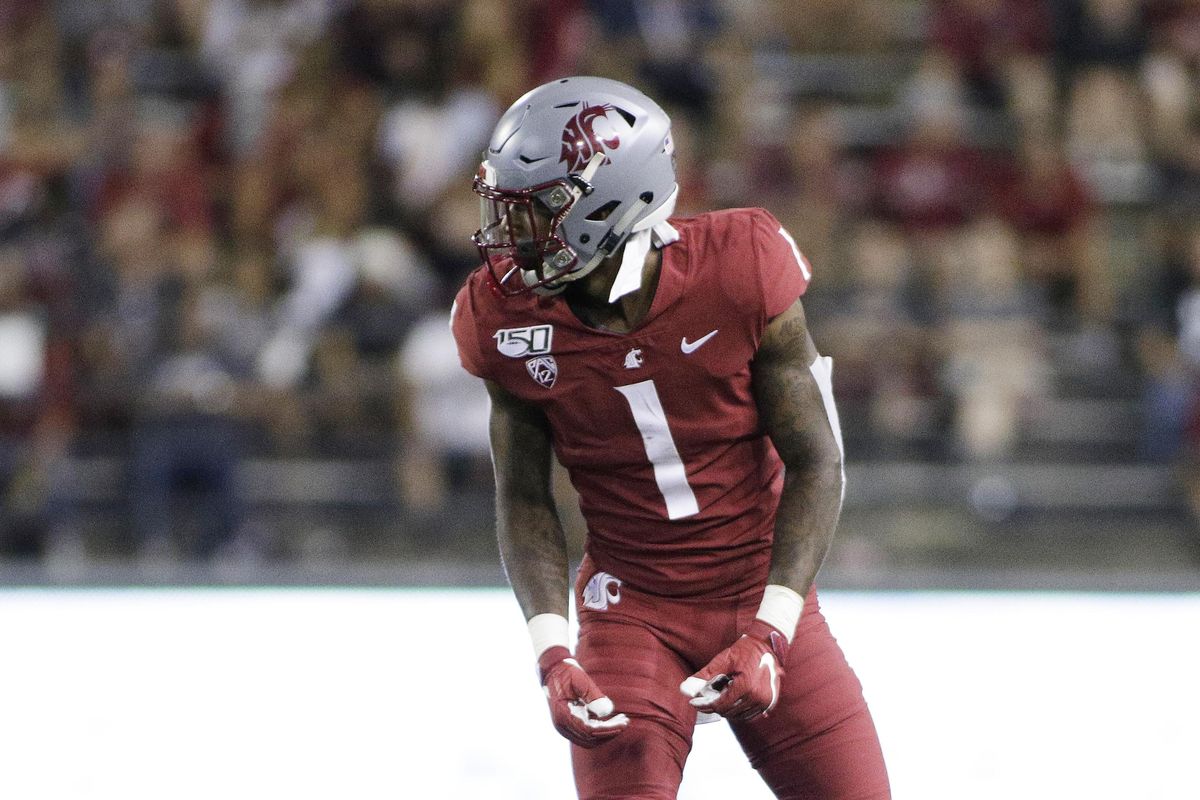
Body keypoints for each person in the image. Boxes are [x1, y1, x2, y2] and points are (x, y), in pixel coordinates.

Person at [451, 76, 890, 800]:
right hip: (632, 607)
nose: (510, 237)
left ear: (609, 203)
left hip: (761, 590)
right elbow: (523, 497)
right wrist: (552, 650)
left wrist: (772, 630)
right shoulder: (501, 317)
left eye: (535, 213)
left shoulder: (741, 266)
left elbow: (818, 462)